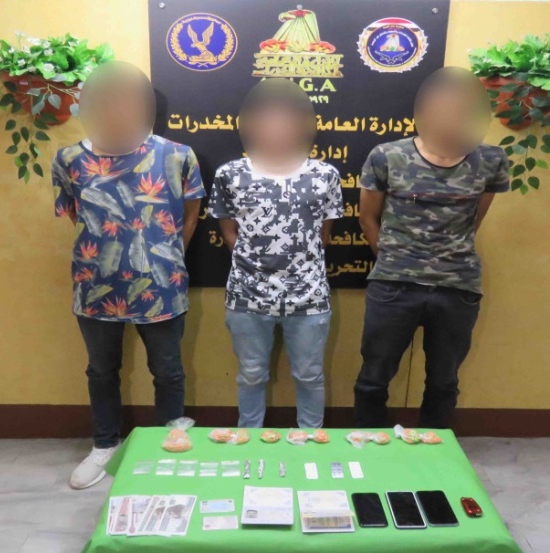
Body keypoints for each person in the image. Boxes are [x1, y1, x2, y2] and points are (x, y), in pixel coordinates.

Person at [52, 62, 205, 489]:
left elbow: (190, 215)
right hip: (95, 289)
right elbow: (78, 217)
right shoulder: (69, 159)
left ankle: (170, 443)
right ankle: (105, 445)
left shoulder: (177, 156)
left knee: (168, 371)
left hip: (162, 286)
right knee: (101, 371)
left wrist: (164, 255)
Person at [354, 67, 509, 429]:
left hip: (457, 287)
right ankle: (368, 447)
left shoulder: (491, 160)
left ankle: (434, 449)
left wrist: (446, 257)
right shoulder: (387, 155)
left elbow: (474, 220)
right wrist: (395, 260)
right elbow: (367, 220)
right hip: (394, 287)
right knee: (374, 378)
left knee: (443, 382)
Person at [209, 79, 344, 429]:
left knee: (310, 375)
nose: (277, 130)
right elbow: (229, 233)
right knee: (251, 374)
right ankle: (249, 440)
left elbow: (323, 234)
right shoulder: (230, 175)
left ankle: (310, 441)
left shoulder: (325, 175)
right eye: (268, 122)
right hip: (247, 296)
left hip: (309, 296)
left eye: (286, 123)